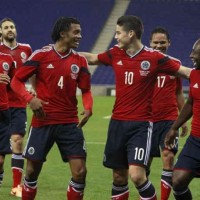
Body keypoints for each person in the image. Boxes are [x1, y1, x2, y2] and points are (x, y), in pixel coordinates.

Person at [80, 15, 191, 200]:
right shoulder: (115, 53)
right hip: (117, 124)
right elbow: (91, 58)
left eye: (118, 33)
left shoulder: (154, 57)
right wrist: (68, 52)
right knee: (118, 176)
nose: (116, 37)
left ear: (130, 34)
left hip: (140, 126)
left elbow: (185, 72)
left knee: (137, 175)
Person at [11, 17, 93, 200]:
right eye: (76, 32)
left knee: (80, 172)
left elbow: (86, 90)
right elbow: (16, 80)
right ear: (63, 33)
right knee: (31, 171)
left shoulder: (80, 61)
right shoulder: (41, 55)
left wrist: (88, 107)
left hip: (70, 123)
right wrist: (30, 99)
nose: (80, 36)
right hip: (43, 122)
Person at [146, 27, 188, 200]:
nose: (159, 45)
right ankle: (148, 196)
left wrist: (183, 119)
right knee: (142, 166)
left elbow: (178, 92)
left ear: (169, 43)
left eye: (162, 42)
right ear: (150, 43)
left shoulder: (175, 64)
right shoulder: (144, 62)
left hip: (169, 119)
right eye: (155, 42)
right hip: (146, 120)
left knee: (168, 157)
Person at [0, 18, 32, 197]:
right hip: (1, 104)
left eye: (12, 26)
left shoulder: (26, 49)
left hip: (19, 104)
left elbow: (34, 70)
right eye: (6, 28)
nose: (10, 30)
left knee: (18, 141)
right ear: (1, 31)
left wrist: (35, 88)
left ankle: (16, 186)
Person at [164, 38, 200, 200]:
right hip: (196, 140)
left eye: (196, 53)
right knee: (177, 181)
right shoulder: (194, 75)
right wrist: (174, 127)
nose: (191, 56)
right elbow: (191, 103)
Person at [0, 53, 14, 187]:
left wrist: (28, 94)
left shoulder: (8, 59)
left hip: (3, 112)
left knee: (0, 160)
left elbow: (14, 83)